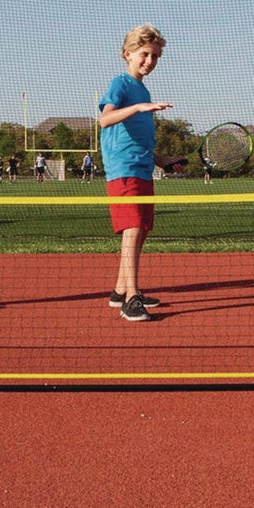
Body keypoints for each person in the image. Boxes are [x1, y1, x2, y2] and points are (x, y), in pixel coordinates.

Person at [98, 24, 170, 321]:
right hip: (123, 170)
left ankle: (119, 291)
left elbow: (138, 138)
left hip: (141, 169)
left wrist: (162, 160)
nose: (149, 61)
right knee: (133, 230)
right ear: (127, 54)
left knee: (141, 233)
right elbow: (105, 120)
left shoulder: (142, 88)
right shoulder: (122, 84)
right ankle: (132, 298)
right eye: (144, 54)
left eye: (155, 56)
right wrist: (139, 107)